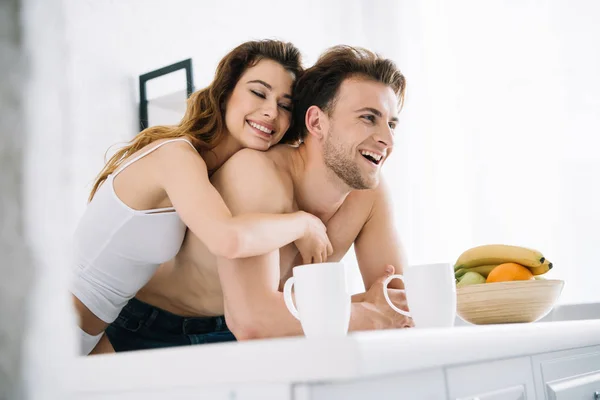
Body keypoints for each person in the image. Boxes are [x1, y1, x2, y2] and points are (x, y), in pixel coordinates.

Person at [102, 44, 413, 353]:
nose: (387, 139)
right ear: (316, 122)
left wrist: (374, 310)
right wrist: (368, 315)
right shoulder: (257, 173)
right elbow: (255, 322)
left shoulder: (370, 191)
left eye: (392, 123)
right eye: (369, 118)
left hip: (252, 330)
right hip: (150, 329)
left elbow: (398, 304)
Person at [71, 39, 335, 355]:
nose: (269, 112)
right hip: (48, 327)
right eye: (259, 92)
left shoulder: (211, 176)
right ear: (225, 94)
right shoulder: (176, 156)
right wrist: (305, 225)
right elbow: (227, 240)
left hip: (89, 334)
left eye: (285, 105)